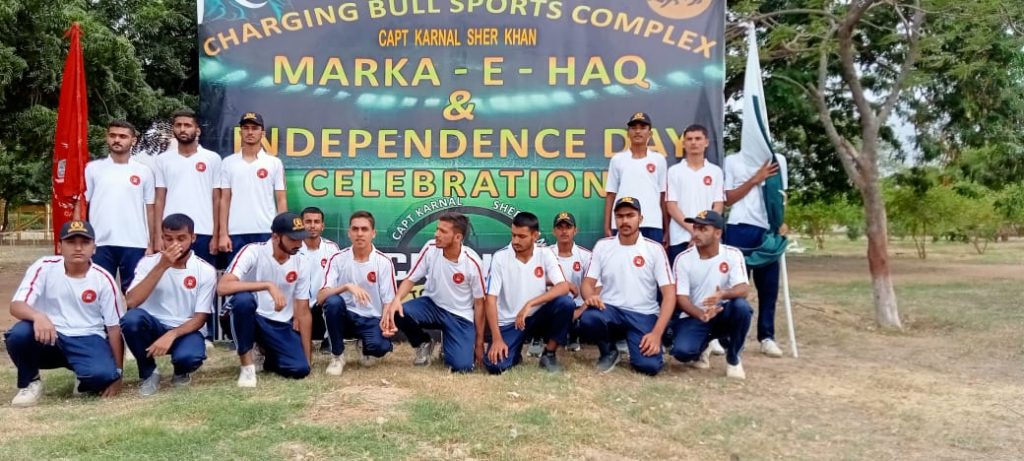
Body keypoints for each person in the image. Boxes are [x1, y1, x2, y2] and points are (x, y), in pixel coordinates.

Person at [5, 221, 124, 406]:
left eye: (85, 242)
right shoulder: (44, 266)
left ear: (94, 248)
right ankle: (31, 382)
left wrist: (117, 374)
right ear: (59, 247)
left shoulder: (104, 279)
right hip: (50, 336)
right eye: (71, 242)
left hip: (87, 337)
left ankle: (83, 377)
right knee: (19, 335)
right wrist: (38, 316)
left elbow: (114, 328)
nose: (78, 248)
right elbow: (16, 305)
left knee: (102, 376)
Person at [580, 197, 676, 375]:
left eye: (630, 215)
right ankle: (609, 351)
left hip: (643, 314)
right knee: (589, 318)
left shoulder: (654, 250)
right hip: (611, 310)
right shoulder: (603, 246)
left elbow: (669, 295)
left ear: (640, 219)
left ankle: (646, 343)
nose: (624, 221)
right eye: (620, 216)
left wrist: (656, 334)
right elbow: (587, 283)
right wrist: (590, 296)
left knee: (648, 367)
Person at [122, 214, 215, 396]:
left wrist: (171, 335)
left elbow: (200, 318)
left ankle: (181, 371)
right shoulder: (148, 263)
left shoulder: (205, 270)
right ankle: (148, 373)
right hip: (153, 327)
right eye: (169, 239)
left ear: (193, 238)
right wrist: (162, 266)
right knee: (131, 320)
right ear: (162, 238)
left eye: (181, 238)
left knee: (189, 358)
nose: (174, 244)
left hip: (184, 330)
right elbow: (131, 301)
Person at [380, 212, 485, 373]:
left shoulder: (473, 262)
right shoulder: (430, 247)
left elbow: (479, 303)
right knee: (397, 311)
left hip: (459, 316)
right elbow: (410, 279)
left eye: (443, 231)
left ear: (458, 237)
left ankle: (448, 345)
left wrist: (479, 344)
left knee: (462, 367)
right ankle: (423, 342)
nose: (436, 234)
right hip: (432, 306)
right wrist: (396, 301)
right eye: (437, 229)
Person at [218, 212, 312, 387]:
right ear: (275, 237)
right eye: (293, 239)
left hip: (280, 323)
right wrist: (267, 285)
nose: (299, 244)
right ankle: (247, 367)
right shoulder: (253, 251)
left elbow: (303, 311)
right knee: (243, 301)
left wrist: (308, 361)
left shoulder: (302, 262)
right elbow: (223, 287)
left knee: (299, 369)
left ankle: (265, 352)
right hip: (251, 316)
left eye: (301, 238)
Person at [483, 212, 574, 374]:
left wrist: (530, 304)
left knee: (566, 303)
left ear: (535, 236)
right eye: (513, 235)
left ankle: (549, 354)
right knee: (496, 367)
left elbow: (563, 286)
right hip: (511, 322)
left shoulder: (545, 253)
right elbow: (490, 300)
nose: (515, 241)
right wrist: (496, 339)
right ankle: (514, 354)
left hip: (538, 316)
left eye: (522, 236)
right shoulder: (500, 257)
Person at [669, 210, 753, 379]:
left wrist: (723, 294)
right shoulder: (683, 259)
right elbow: (681, 299)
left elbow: (744, 288)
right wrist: (702, 315)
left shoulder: (732, 254)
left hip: (722, 312)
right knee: (682, 352)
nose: (696, 233)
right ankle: (703, 347)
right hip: (695, 316)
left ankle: (733, 358)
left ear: (717, 233)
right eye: (695, 228)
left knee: (742, 308)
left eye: (703, 229)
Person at [78, 120, 156, 292]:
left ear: (133, 140)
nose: (117, 140)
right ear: (107, 137)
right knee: (98, 292)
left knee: (134, 293)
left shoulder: (144, 172)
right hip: (100, 242)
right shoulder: (92, 169)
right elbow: (82, 204)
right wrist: (80, 237)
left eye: (122, 136)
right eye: (113, 135)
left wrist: (151, 243)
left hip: (135, 243)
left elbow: (150, 210)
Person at [723, 152, 788, 358]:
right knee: (734, 286)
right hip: (739, 227)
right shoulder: (733, 160)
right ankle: (725, 335)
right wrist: (755, 179)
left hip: (768, 230)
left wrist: (781, 222)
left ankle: (767, 337)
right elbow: (727, 199)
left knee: (769, 288)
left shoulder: (778, 160)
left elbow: (781, 196)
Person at [317, 211, 397, 375]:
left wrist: (386, 323)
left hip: (370, 319)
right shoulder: (337, 259)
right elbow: (320, 297)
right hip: (344, 317)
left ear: (373, 233)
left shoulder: (383, 262)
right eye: (355, 229)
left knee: (380, 348)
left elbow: (389, 301)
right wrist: (346, 286)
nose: (359, 234)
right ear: (349, 232)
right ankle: (337, 356)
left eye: (364, 229)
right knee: (333, 302)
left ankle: (365, 345)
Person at [152, 109, 223, 267]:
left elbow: (217, 199)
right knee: (170, 276)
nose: (182, 129)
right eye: (178, 125)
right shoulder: (162, 160)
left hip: (203, 231)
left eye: (187, 125)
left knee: (204, 277)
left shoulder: (213, 158)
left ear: (197, 130)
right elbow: (159, 199)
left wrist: (216, 235)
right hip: (171, 232)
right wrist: (158, 236)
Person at [217, 112, 287, 266]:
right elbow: (224, 199)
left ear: (262, 133)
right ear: (240, 132)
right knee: (236, 277)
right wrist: (223, 234)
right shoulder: (228, 163)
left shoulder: (274, 163)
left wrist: (281, 232)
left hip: (266, 231)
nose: (250, 132)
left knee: (265, 276)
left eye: (254, 128)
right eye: (246, 128)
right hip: (235, 232)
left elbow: (281, 199)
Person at [603, 112, 668, 243]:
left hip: (652, 222)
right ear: (628, 133)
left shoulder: (659, 160)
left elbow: (663, 196)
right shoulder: (618, 159)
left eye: (642, 128)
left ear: (650, 133)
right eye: (633, 128)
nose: (638, 131)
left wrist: (667, 228)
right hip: (623, 222)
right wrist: (607, 225)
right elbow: (611, 194)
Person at [666, 124, 725, 264]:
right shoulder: (674, 171)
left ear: (706, 142)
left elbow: (718, 205)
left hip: (708, 238)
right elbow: (671, 206)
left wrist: (703, 231)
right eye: (689, 139)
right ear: (684, 143)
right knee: (680, 277)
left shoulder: (715, 171)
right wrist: (694, 231)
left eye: (698, 138)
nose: (693, 142)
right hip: (679, 237)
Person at [297, 206, 340, 353]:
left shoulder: (332, 249)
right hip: (297, 307)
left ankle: (329, 340)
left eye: (316, 222)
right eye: (308, 221)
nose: (312, 225)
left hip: (321, 306)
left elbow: (338, 282)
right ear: (301, 225)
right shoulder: (292, 249)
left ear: (323, 226)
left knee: (334, 301)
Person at [549, 211, 592, 352]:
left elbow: (595, 288)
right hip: (554, 306)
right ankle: (537, 337)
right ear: (554, 231)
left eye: (568, 227)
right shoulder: (546, 254)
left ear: (575, 230)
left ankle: (574, 334)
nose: (564, 231)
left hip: (578, 307)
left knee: (592, 316)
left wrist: (580, 311)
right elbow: (535, 280)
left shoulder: (586, 256)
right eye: (560, 227)